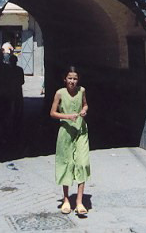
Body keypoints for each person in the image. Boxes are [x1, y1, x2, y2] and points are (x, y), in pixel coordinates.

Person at [50, 65, 90, 216]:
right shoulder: (59, 93)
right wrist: (67, 116)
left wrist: (84, 110)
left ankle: (79, 202)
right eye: (70, 78)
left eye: (75, 78)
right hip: (66, 133)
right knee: (66, 163)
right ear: (64, 79)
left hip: (81, 131)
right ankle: (66, 200)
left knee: (82, 163)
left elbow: (85, 104)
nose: (72, 81)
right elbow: (52, 113)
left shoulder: (82, 91)